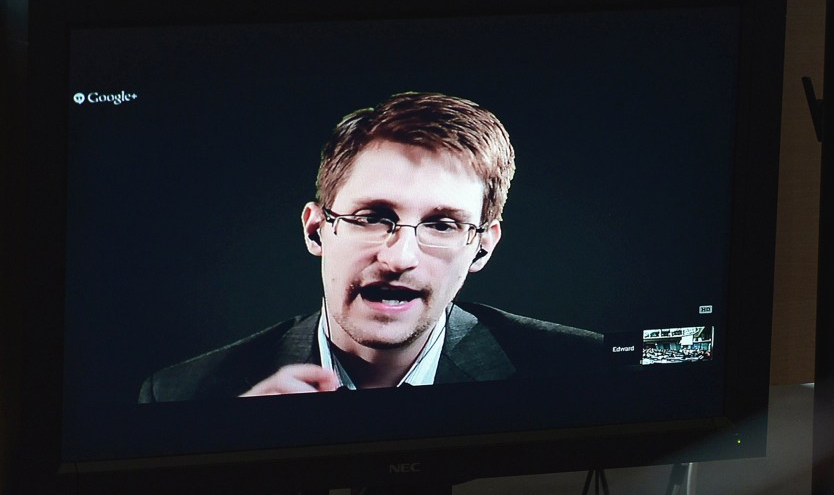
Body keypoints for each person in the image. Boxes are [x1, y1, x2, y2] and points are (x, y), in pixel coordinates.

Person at [140, 92, 602, 402]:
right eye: (372, 218)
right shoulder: (184, 391)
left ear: (482, 247)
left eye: (442, 225)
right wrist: (238, 446)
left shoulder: (581, 369)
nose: (400, 258)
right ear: (316, 229)